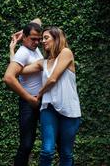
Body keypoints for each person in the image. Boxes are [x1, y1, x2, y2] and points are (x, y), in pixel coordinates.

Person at [11, 26, 81, 166]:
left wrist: (39, 94)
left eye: (46, 38)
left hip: (69, 110)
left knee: (66, 153)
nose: (42, 41)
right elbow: (18, 70)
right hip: (48, 109)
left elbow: (53, 79)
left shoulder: (66, 53)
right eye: (42, 38)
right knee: (47, 151)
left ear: (56, 38)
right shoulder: (43, 62)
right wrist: (12, 49)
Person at [3, 20, 43, 166]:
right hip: (29, 102)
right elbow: (8, 78)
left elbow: (37, 20)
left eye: (39, 39)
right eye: (33, 39)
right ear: (25, 38)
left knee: (53, 141)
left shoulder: (33, 47)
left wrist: (22, 32)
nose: (37, 42)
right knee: (26, 144)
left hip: (43, 100)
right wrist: (28, 98)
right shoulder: (23, 52)